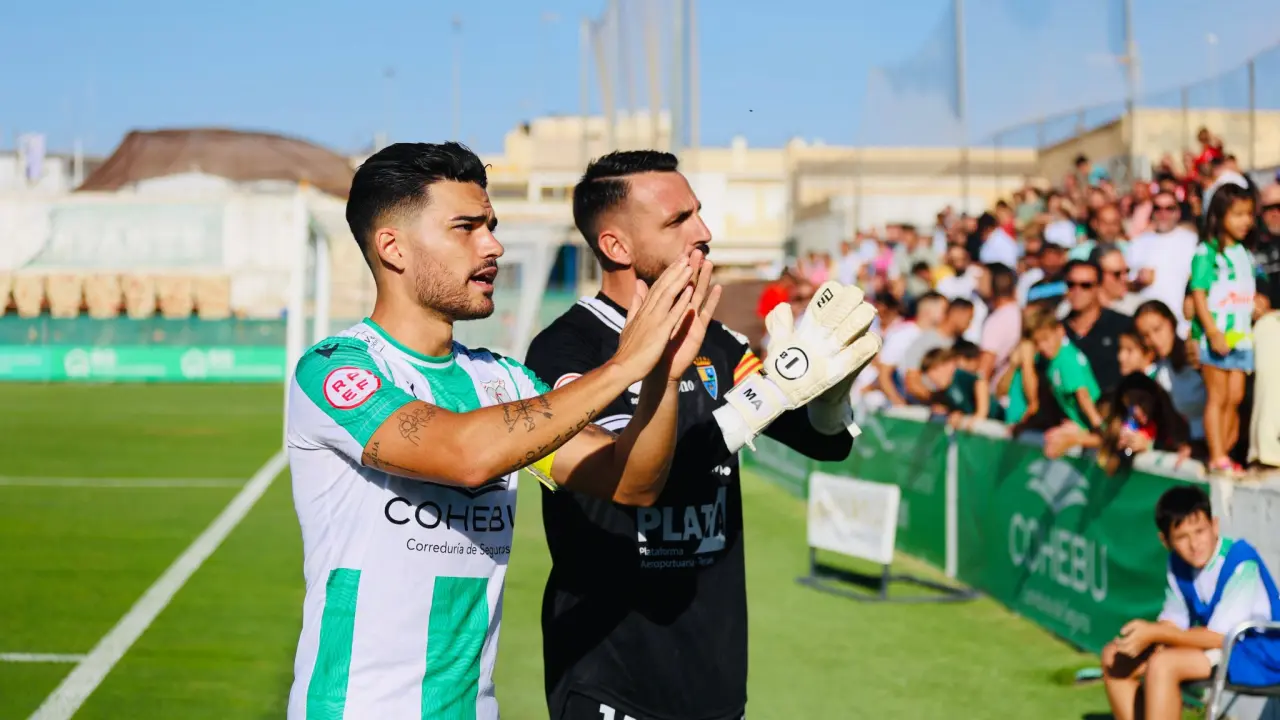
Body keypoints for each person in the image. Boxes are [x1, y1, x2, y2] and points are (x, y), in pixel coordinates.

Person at [283, 142, 721, 719]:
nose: (493, 246)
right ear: (393, 247)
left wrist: (662, 375)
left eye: (490, 226)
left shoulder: (503, 379)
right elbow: (466, 456)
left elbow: (630, 483)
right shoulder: (336, 367)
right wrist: (621, 367)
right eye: (465, 228)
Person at [523, 150, 881, 720]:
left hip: (713, 675)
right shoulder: (565, 350)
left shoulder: (719, 342)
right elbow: (634, 478)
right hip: (612, 675)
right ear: (616, 246)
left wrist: (831, 389)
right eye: (678, 221)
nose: (704, 232)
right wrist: (769, 393)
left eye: (698, 213)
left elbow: (826, 443)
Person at [1102, 484, 1278, 720]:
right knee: (1114, 657)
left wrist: (1155, 634)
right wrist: (1147, 637)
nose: (1194, 545)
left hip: (1261, 655)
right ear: (1165, 541)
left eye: (1200, 531)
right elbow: (1174, 621)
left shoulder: (1241, 561)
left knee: (1163, 665)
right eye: (1182, 537)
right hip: (1223, 649)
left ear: (1215, 525)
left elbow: (1219, 637)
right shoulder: (1177, 564)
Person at [1190, 182, 1258, 477]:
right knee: (1217, 397)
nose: (1246, 221)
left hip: (1242, 338)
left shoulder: (1245, 253)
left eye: (1249, 214)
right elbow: (1198, 294)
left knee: (1235, 397)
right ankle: (1216, 454)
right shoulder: (1206, 252)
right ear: (1219, 216)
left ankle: (1226, 452)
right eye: (1238, 214)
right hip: (1217, 337)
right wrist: (1211, 331)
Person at [1134, 300, 1208, 460]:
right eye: (1145, 335)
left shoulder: (1200, 355)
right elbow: (1175, 429)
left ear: (1172, 322)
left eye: (1157, 329)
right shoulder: (1161, 373)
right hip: (1198, 448)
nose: (1154, 340)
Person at [1129, 189, 1200, 335]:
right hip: (1148, 329)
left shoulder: (1192, 241)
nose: (1163, 214)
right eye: (1158, 208)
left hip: (1183, 326)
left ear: (1178, 212)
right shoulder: (1138, 243)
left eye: (1169, 208)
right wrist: (1138, 282)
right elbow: (1126, 285)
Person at [1063, 259, 1134, 394]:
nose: (1077, 290)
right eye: (1071, 284)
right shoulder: (1057, 331)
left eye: (1086, 285)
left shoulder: (1122, 325)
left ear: (1099, 287)